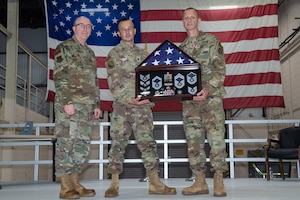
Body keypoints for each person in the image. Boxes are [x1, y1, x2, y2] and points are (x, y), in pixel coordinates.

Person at [104, 18, 177, 197]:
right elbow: (113, 83)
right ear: (119, 33)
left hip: (143, 108)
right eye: (123, 29)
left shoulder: (145, 56)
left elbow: (153, 81)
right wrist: (129, 100)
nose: (127, 32)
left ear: (135, 31)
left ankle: (154, 183)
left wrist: (158, 93)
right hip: (122, 108)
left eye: (130, 29)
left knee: (148, 144)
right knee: (117, 145)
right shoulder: (113, 54)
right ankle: (113, 184)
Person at [179, 8, 228, 197]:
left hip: (211, 99)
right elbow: (178, 78)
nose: (189, 21)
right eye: (186, 18)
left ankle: (218, 179)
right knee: (194, 142)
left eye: (192, 17)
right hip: (190, 104)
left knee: (216, 140)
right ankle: (199, 180)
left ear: (199, 20)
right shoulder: (179, 48)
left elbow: (220, 69)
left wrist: (207, 89)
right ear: (183, 21)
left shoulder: (211, 41)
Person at [53, 16, 101, 199]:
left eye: (89, 26)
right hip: (70, 105)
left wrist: (96, 104)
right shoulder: (63, 48)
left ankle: (75, 182)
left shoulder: (89, 53)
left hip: (87, 107)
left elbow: (94, 81)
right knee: (67, 143)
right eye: (81, 25)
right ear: (74, 28)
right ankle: (65, 187)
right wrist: (67, 102)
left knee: (81, 146)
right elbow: (60, 76)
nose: (85, 29)